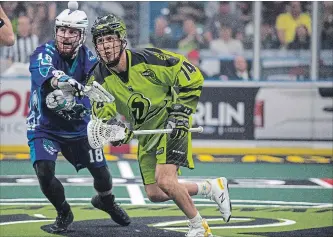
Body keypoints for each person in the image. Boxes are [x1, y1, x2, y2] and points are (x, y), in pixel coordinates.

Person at [86, 14, 232, 237]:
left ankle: (199, 228)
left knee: (166, 180)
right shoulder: (97, 79)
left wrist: (182, 113)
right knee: (155, 193)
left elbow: (191, 75)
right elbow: (104, 119)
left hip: (170, 123)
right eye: (101, 41)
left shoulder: (148, 59)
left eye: (110, 39)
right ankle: (210, 188)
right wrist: (116, 132)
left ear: (122, 39)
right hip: (146, 132)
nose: (106, 46)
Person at [26, 3, 130, 233]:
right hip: (44, 127)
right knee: (44, 172)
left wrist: (112, 121)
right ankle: (63, 211)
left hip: (80, 128)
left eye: (72, 31)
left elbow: (105, 90)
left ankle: (106, 200)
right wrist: (64, 81)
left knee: (102, 175)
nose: (65, 35)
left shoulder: (91, 59)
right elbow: (48, 74)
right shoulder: (43, 52)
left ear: (82, 35)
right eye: (62, 30)